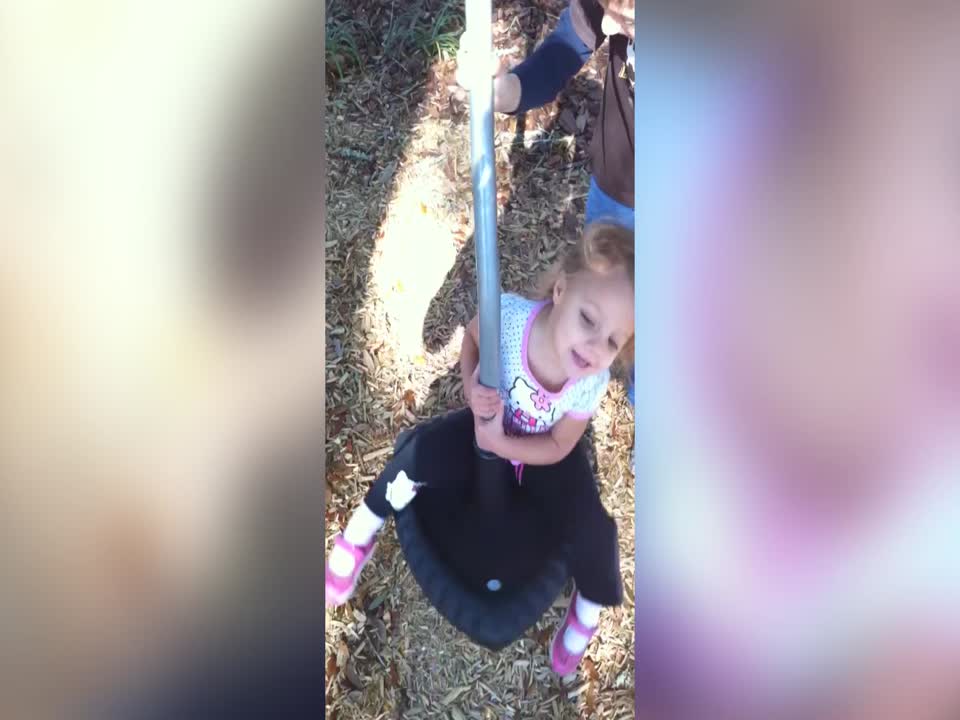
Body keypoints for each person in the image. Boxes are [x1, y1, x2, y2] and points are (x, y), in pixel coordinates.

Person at [326, 223, 634, 675]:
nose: (594, 346)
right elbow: (471, 340)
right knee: (417, 456)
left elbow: (559, 444)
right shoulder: (509, 320)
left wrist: (506, 445)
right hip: (486, 424)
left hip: (537, 453)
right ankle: (359, 532)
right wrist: (472, 387)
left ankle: (588, 605)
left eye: (613, 341)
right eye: (589, 319)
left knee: (592, 520)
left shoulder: (591, 381)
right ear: (562, 291)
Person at [458, 0, 636, 406]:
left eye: (627, 19)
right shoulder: (610, 10)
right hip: (618, 188)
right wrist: (502, 92)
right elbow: (561, 53)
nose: (607, 26)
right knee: (607, 303)